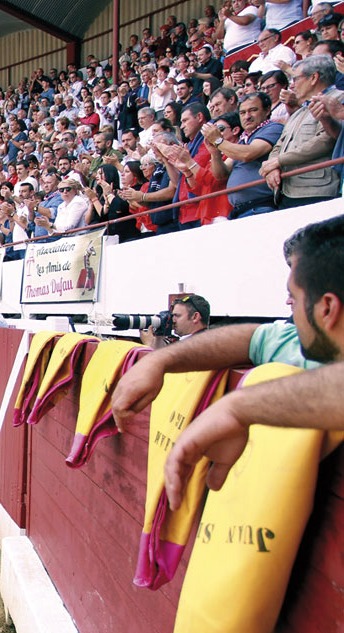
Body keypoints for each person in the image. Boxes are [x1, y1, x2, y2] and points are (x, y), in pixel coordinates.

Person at [113, 214, 344, 512]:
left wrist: (240, 407)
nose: (288, 306)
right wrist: (160, 360)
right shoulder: (300, 341)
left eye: (295, 297)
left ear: (327, 309)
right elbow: (253, 338)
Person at [261, 54, 344, 207]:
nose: (292, 85)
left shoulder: (338, 98)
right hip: (286, 191)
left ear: (313, 78)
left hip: (316, 190)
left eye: (296, 79)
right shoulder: (299, 111)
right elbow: (279, 145)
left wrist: (279, 161)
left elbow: (327, 140)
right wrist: (272, 167)